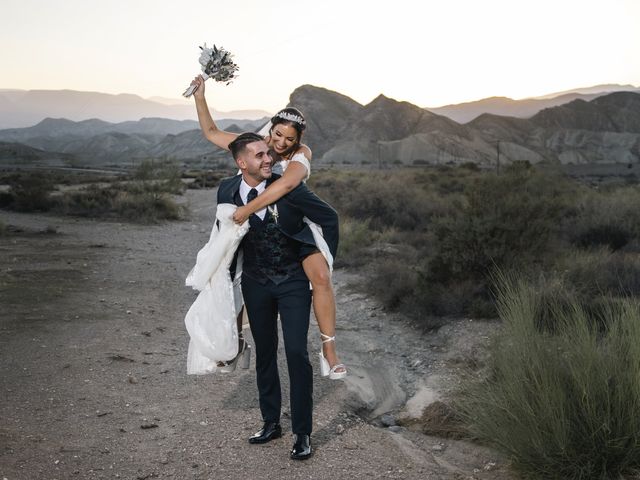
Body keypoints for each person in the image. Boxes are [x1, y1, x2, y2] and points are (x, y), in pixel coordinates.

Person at [190, 75, 346, 379]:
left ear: (298, 139)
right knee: (235, 277)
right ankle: (233, 346)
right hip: (260, 226)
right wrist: (200, 96)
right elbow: (211, 132)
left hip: (295, 222)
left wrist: (246, 209)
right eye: (277, 135)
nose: (281, 143)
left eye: (289, 139)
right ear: (270, 128)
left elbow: (288, 183)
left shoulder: (302, 155)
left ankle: (329, 352)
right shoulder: (258, 145)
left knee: (321, 276)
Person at [218, 132, 339, 459]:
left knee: (297, 352)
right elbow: (225, 240)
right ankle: (271, 422)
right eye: (259, 155)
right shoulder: (227, 191)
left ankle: (303, 432)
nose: (268, 159)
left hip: (292, 282)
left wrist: (321, 261)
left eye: (268, 153)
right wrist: (223, 292)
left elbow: (329, 218)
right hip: (255, 283)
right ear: (242, 163)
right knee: (265, 352)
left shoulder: (291, 189)